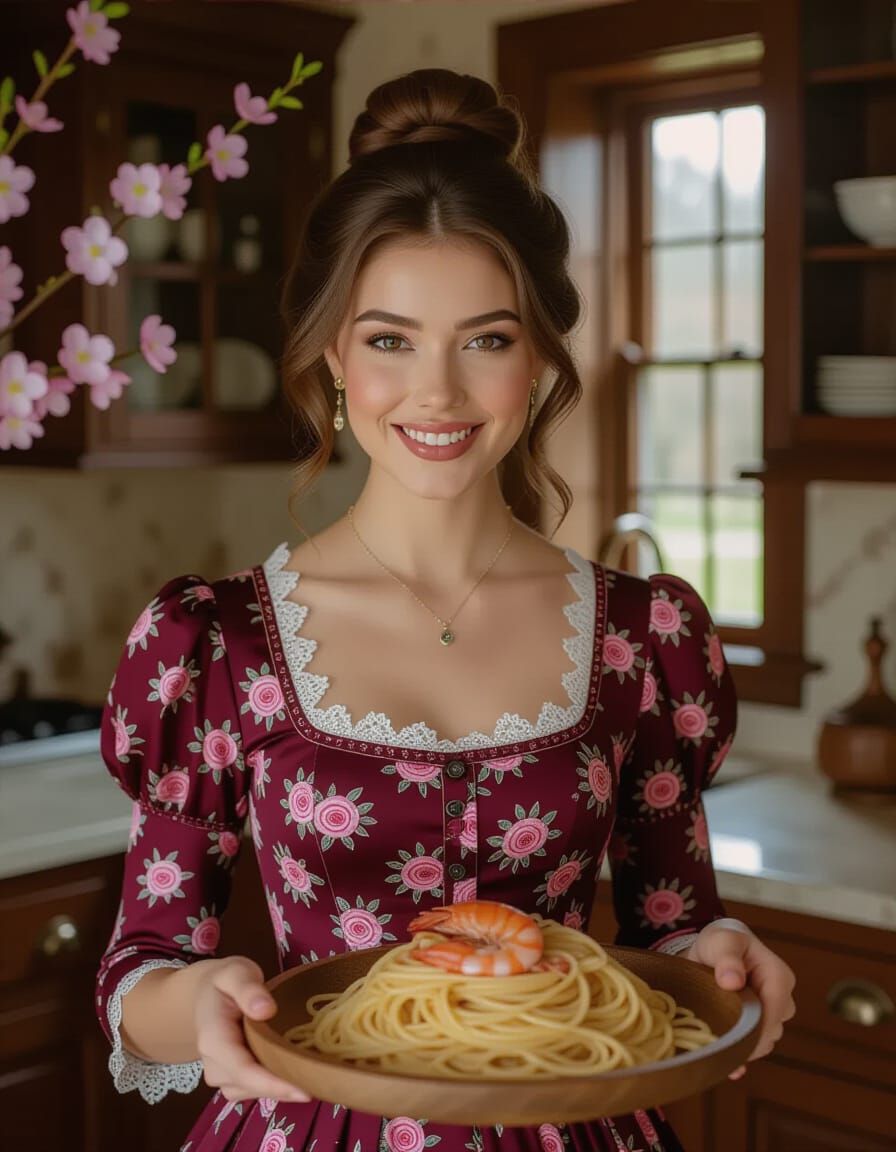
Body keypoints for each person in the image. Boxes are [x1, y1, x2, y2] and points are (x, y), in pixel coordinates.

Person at [95, 67, 795, 1152]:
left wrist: (720, 956)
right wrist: (200, 1003)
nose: (438, 392)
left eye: (487, 339)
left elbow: (676, 927)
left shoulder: (644, 637)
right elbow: (140, 966)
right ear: (332, 353)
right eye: (389, 340)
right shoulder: (214, 643)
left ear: (539, 354)